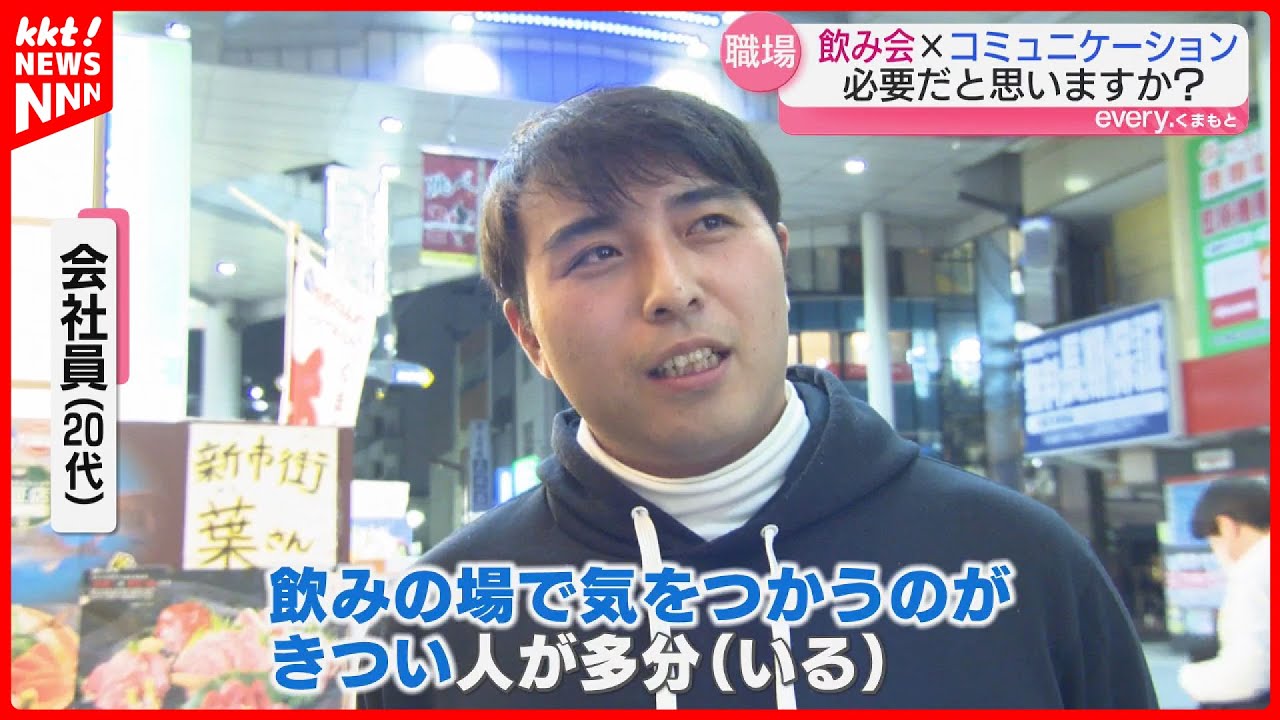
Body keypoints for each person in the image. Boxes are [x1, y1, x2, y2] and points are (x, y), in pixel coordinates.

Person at [355, 86, 1156, 709]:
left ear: (780, 257)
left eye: (707, 223)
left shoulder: (1018, 564)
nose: (671, 289)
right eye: (597, 253)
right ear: (529, 335)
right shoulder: (439, 628)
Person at [1178, 476, 1270, 709]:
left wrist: (1189, 677)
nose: (1216, 553)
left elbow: (1247, 675)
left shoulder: (1253, 570)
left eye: (1212, 541)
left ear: (1227, 527)